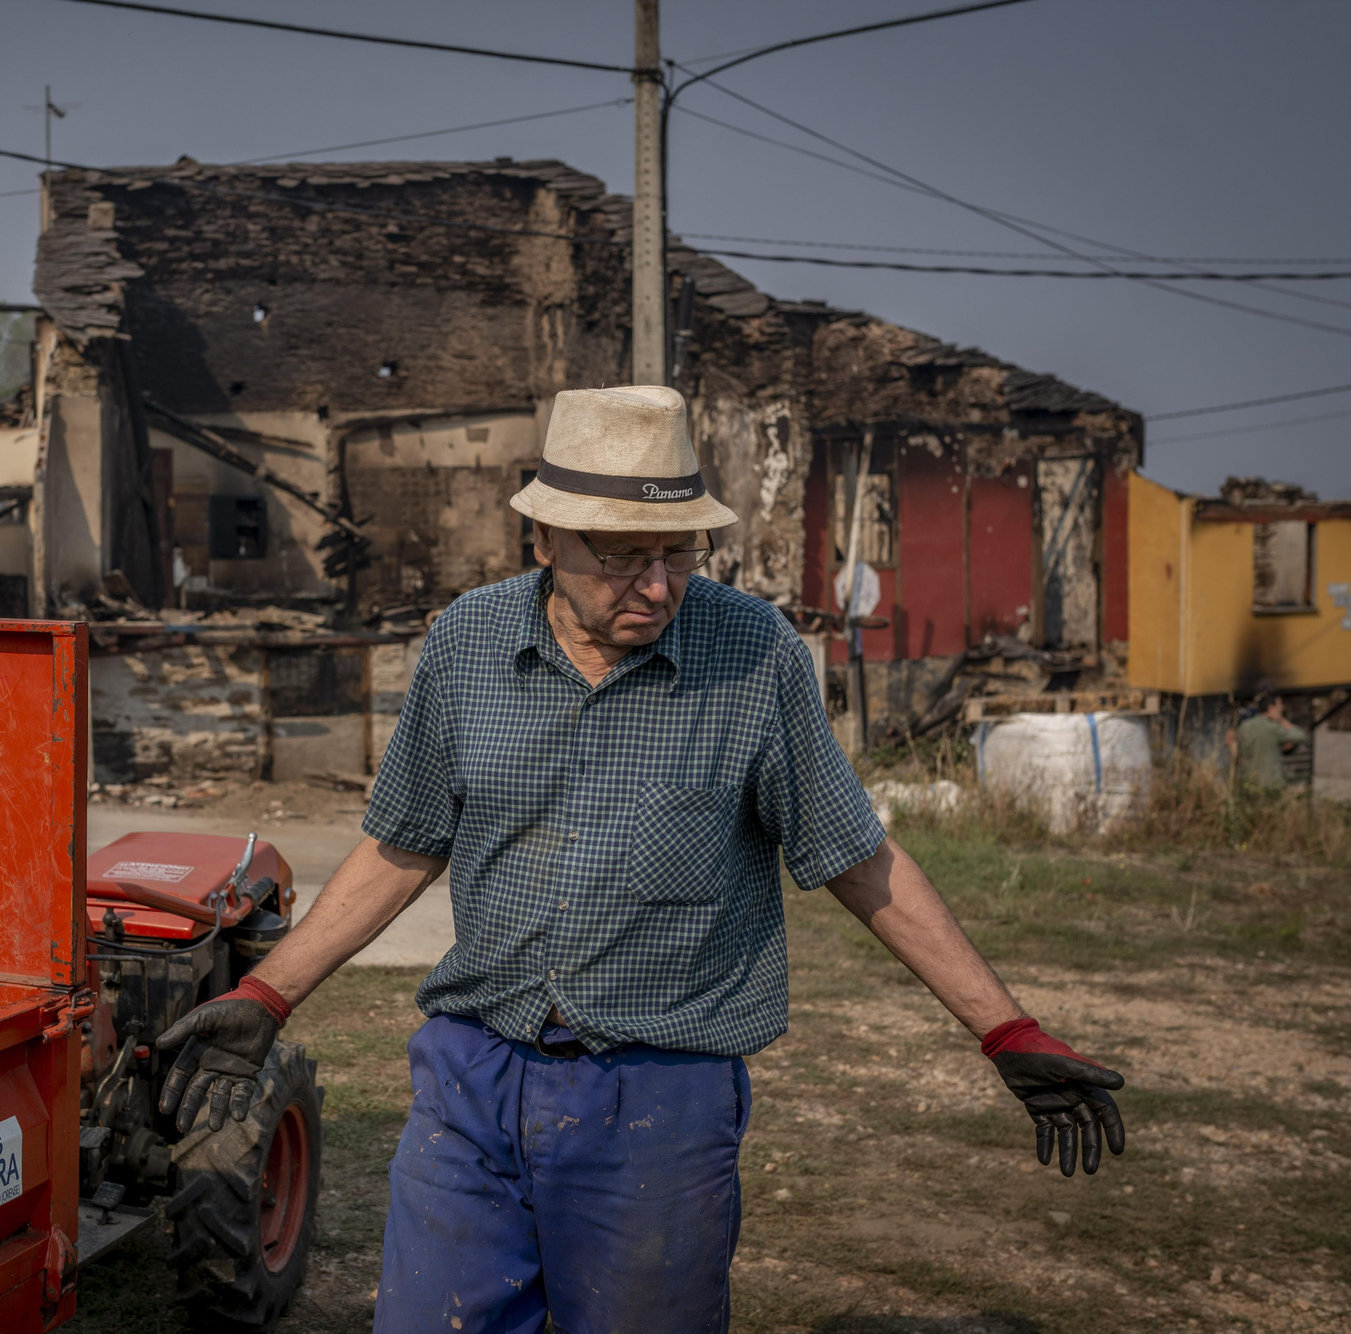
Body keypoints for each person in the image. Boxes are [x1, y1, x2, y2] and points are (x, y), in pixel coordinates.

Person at [156, 386, 1126, 1333]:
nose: (656, 586)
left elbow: (855, 858)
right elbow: (400, 846)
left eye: (675, 553)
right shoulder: (465, 645)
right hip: (471, 1073)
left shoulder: (752, 658)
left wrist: (1005, 1028)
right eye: (620, 558)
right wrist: (265, 995)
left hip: (657, 1093)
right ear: (541, 538)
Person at [1228, 693, 1306, 790]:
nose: (1282, 709)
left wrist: (1239, 759)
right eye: (1279, 707)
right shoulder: (1273, 728)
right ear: (1271, 708)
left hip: (1248, 782)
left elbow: (1231, 743)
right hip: (1271, 784)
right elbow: (1300, 736)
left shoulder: (1244, 726)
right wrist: (1281, 720)